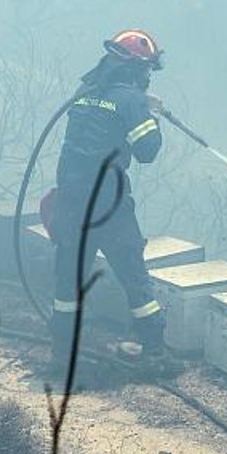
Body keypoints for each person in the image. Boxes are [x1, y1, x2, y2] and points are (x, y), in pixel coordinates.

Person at [41, 28, 175, 379]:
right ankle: (155, 354)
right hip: (108, 206)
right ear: (136, 68)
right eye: (148, 69)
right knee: (135, 279)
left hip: (71, 202)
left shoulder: (85, 92)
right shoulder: (131, 101)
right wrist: (151, 114)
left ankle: (61, 358)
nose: (148, 76)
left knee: (68, 285)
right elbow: (147, 151)